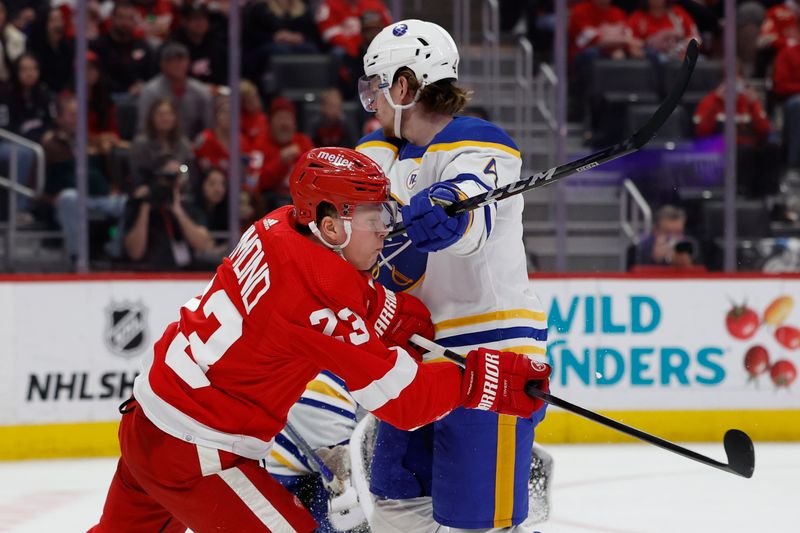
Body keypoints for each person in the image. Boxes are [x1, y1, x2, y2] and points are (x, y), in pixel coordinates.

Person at [89, 146, 551, 532]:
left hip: (148, 421)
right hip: (198, 453)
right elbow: (406, 404)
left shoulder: (280, 224)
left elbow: (346, 297)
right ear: (332, 226)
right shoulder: (318, 297)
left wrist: (397, 317)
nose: (387, 227)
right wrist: (489, 381)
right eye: (375, 215)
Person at [356, 19, 550, 533]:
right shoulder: (378, 152)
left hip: (488, 354)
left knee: (475, 523)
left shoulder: (480, 142)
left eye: (374, 86)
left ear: (403, 85)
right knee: (397, 507)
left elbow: (471, 216)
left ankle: (519, 477)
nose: (369, 100)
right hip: (413, 355)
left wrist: (449, 208)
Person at [137, 41, 213, 140]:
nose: (177, 65)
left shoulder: (200, 91)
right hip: (158, 146)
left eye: (181, 60)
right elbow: (143, 128)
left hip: (193, 146)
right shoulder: (151, 91)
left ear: (188, 62)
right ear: (162, 65)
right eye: (171, 61)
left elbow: (209, 127)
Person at [256, 96, 314, 211]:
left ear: (294, 124)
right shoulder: (259, 145)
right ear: (270, 122)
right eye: (280, 118)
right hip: (269, 208)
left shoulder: (304, 143)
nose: (284, 124)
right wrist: (280, 162)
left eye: (288, 118)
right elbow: (257, 183)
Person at [630, 204, 699, 268]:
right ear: (655, 231)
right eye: (667, 232)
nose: (673, 238)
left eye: (678, 232)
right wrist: (654, 260)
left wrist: (687, 265)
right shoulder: (642, 248)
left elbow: (701, 276)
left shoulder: (690, 246)